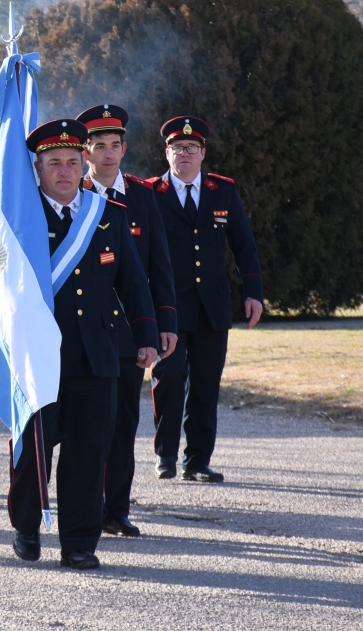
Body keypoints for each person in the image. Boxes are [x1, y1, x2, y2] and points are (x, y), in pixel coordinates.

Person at [8, 119, 158, 569]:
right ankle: (27, 526)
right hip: (40, 355)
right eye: (53, 163)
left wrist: (146, 335)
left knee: (89, 451)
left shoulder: (107, 214)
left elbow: (133, 282)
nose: (64, 171)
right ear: (37, 168)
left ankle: (78, 542)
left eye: (72, 162)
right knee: (35, 446)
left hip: (98, 354)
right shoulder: (21, 218)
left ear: (83, 163)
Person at [76, 104, 178, 538]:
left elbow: (159, 265)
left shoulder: (142, 196)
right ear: (86, 152)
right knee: (87, 423)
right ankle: (82, 505)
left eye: (114, 146)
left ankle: (116, 509)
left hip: (127, 330)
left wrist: (162, 325)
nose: (108, 154)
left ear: (125, 148)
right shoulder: (70, 193)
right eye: (99, 146)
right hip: (81, 331)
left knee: (122, 423)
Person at [147, 117, 263, 483]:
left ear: (203, 154)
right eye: (177, 148)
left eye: (191, 148)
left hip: (212, 306)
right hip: (168, 307)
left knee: (206, 384)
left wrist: (254, 293)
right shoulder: (150, 192)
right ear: (167, 153)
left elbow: (244, 245)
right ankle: (165, 454)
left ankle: (197, 459)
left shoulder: (222, 191)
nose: (184, 154)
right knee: (168, 377)